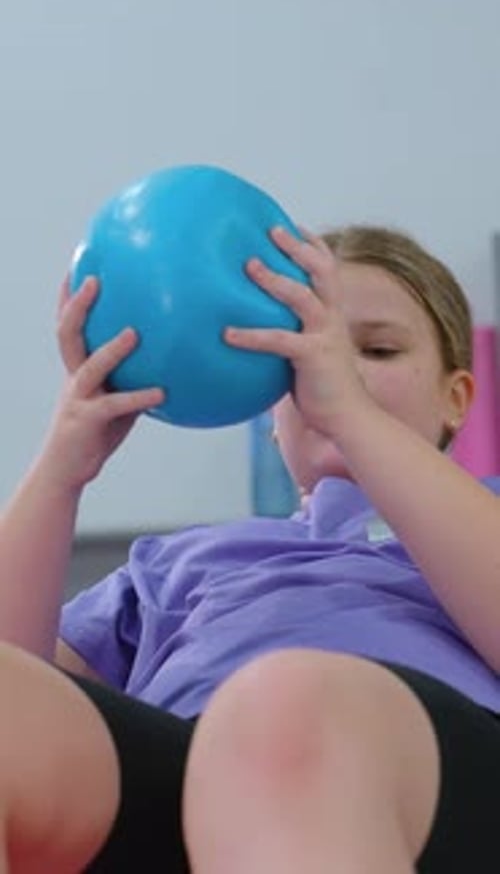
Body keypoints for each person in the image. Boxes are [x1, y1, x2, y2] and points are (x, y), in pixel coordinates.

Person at [0, 222, 499, 874]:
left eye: (375, 350)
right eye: (298, 358)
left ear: (456, 400)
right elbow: (21, 674)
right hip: (189, 785)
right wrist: (60, 471)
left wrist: (350, 414)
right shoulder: (176, 562)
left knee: (284, 704)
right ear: (269, 410)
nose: (332, 370)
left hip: (416, 785)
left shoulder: (480, 515)